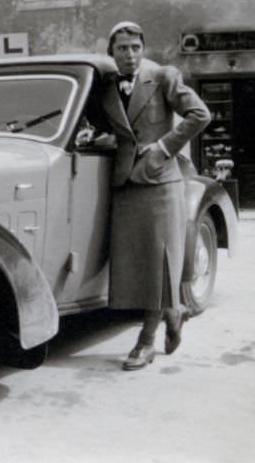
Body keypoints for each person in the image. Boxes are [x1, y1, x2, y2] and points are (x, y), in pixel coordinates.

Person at [99, 21, 211, 370]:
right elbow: (99, 125)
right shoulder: (104, 86)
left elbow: (200, 114)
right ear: (111, 52)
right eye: (122, 48)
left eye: (135, 47)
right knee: (136, 264)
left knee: (159, 262)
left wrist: (163, 147)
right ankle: (173, 312)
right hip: (125, 184)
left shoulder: (163, 76)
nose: (130, 54)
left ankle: (146, 341)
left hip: (161, 182)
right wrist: (102, 140)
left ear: (143, 48)